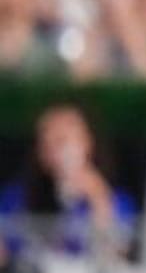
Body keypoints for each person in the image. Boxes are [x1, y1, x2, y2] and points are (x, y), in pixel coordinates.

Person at [0, 104, 136, 262]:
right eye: (45, 142)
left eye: (61, 140)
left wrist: (98, 198)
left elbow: (114, 258)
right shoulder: (16, 197)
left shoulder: (118, 201)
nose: (53, 150)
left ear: (86, 143)